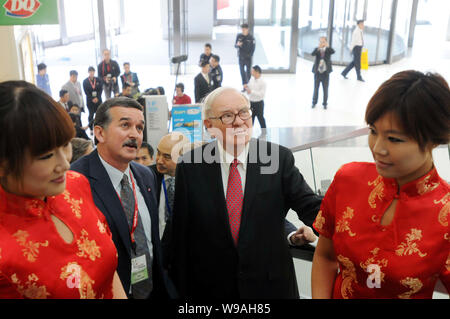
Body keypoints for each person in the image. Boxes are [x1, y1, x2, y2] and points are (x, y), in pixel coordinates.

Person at [168, 87, 322, 298]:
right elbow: (180, 235)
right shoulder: (190, 166)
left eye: (244, 112)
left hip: (270, 288)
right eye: (227, 116)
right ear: (209, 125)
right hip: (211, 289)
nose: (239, 121)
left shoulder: (277, 158)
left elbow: (312, 207)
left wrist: (352, 232)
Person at [311, 70, 450, 299]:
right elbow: (325, 256)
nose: (377, 148)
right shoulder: (348, 179)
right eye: (373, 132)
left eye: (394, 139)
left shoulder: (445, 212)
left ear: (433, 140)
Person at [0, 81, 126, 299]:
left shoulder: (76, 184)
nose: (64, 163)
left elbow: (108, 270)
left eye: (65, 144)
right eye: (46, 156)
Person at [71, 97, 177, 299]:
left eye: (139, 127)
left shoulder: (145, 174)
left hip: (151, 287)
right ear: (99, 132)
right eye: (125, 125)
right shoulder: (77, 180)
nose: (134, 134)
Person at [311, 37, 335, 109]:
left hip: (325, 73)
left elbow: (333, 51)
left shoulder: (328, 50)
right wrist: (318, 48)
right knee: (316, 88)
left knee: (325, 89)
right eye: (320, 42)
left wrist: (328, 46)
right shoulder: (317, 49)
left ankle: (325, 103)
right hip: (317, 72)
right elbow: (312, 54)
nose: (322, 43)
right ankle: (314, 102)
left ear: (326, 42)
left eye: (323, 42)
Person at [244, 65, 267, 137]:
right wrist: (246, 87)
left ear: (257, 72)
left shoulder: (263, 82)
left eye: (252, 71)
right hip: (251, 102)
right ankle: (249, 132)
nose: (251, 72)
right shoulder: (252, 79)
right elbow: (249, 86)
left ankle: (264, 132)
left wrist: (251, 92)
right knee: (251, 118)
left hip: (259, 103)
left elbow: (261, 94)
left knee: (260, 117)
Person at [235, 23, 256, 90]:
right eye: (242, 29)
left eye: (244, 29)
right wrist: (238, 45)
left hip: (248, 58)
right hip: (241, 57)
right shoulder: (239, 36)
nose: (243, 31)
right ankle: (244, 85)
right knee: (242, 71)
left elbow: (253, 49)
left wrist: (249, 56)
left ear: (247, 29)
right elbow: (235, 45)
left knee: (248, 72)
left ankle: (249, 85)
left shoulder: (251, 38)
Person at [83, 66, 103, 132]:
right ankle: (91, 128)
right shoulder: (85, 81)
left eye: (93, 71)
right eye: (90, 71)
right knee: (91, 114)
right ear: (88, 72)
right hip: (90, 101)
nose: (91, 73)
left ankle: (100, 127)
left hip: (98, 100)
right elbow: (86, 92)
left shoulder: (98, 80)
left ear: (94, 72)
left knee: (99, 114)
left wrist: (97, 97)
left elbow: (101, 90)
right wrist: (92, 99)